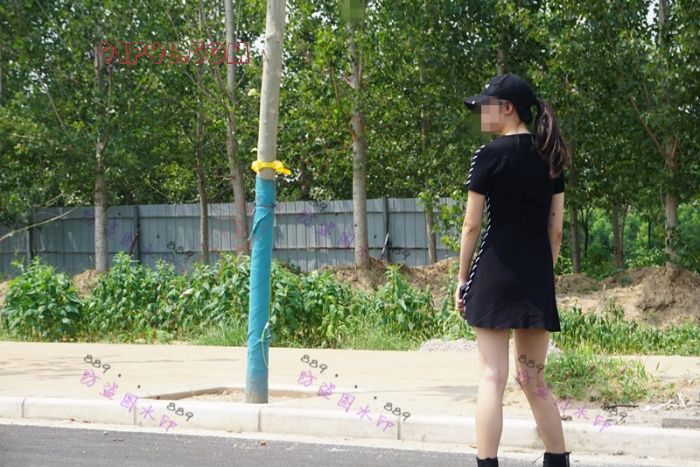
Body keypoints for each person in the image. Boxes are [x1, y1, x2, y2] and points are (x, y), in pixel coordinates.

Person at [456, 74, 572, 467]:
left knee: (492, 376)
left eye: (485, 106)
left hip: (493, 276)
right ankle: (558, 461)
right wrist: (541, 274)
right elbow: (555, 231)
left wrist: (461, 280)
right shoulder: (550, 157)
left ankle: (487, 463)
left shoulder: (488, 155)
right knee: (533, 379)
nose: (481, 114)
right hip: (535, 278)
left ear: (507, 108)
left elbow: (472, 226)